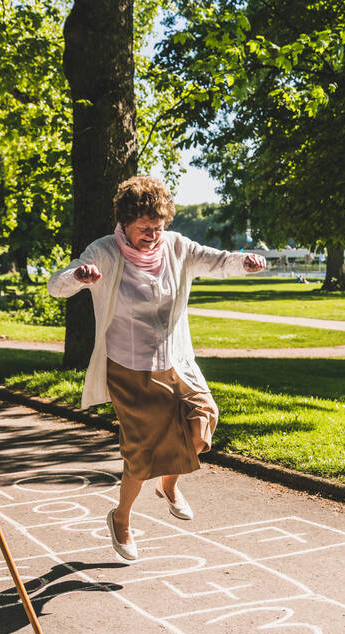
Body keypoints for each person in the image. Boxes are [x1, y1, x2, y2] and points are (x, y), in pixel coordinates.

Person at [48, 175, 266, 562]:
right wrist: (78, 278)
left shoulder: (177, 247)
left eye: (159, 227)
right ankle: (121, 518)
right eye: (144, 229)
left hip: (175, 359)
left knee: (204, 421)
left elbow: (216, 260)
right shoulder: (103, 252)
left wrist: (244, 262)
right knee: (142, 453)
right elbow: (57, 285)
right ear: (125, 223)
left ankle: (169, 486)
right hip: (129, 368)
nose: (153, 235)